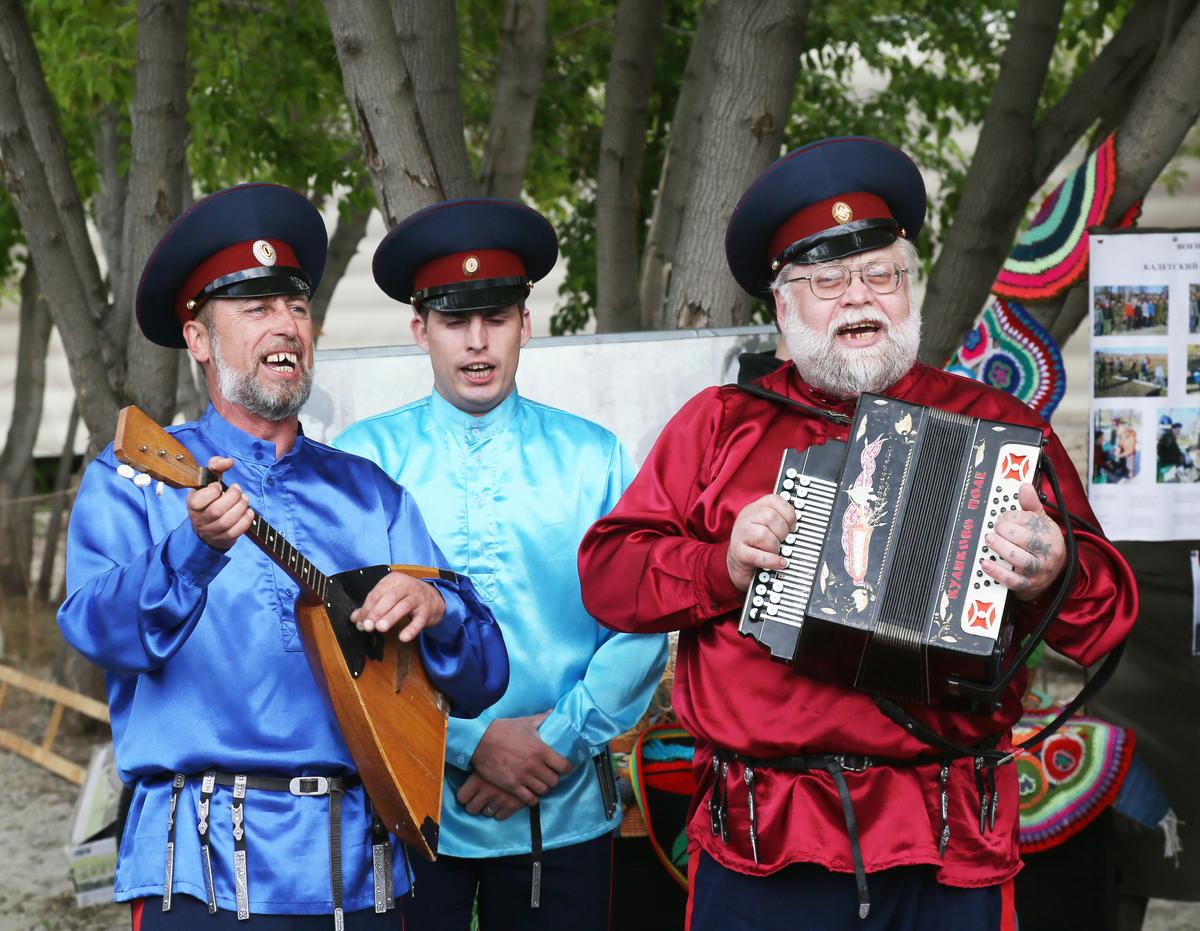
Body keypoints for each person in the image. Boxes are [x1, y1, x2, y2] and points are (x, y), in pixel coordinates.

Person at [577, 136, 1137, 930]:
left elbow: (1106, 619)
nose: (858, 298)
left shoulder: (996, 425)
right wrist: (720, 566)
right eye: (827, 281)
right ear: (784, 307)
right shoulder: (720, 425)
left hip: (946, 837)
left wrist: (1054, 571)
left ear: (908, 289)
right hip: (766, 841)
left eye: (881, 274)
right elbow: (608, 576)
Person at [57, 184, 509, 929]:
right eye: (256, 307)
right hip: (200, 871)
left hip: (361, 875)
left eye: (296, 306)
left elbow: (485, 677)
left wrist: (439, 608)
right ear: (199, 339)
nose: (286, 325)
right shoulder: (134, 478)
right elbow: (94, 632)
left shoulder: (371, 494)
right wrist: (191, 551)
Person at [333, 198, 668, 931]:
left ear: (526, 323)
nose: (477, 342)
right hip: (412, 806)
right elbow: (341, 642)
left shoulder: (594, 457)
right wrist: (470, 743)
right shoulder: (363, 462)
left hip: (563, 804)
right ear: (420, 330)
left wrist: (554, 740)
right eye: (455, 321)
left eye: (497, 318)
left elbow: (642, 621)